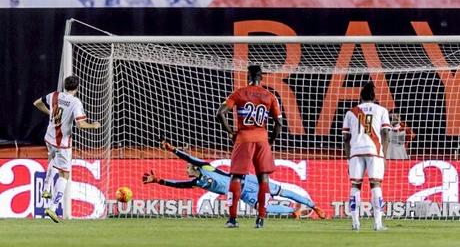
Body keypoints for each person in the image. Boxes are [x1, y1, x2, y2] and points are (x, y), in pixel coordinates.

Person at [142, 140, 326, 219]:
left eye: (189, 167)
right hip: (243, 193)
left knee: (281, 191)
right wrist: (158, 180)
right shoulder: (196, 182)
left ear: (194, 167)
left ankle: (313, 206)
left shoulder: (206, 166)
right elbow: (178, 185)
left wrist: (172, 149)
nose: (186, 168)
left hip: (248, 181)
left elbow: (188, 157)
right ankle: (291, 212)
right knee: (264, 208)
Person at [216, 65, 282, 228]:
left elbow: (220, 113)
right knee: (263, 178)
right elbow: (279, 124)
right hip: (262, 139)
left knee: (236, 177)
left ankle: (232, 219)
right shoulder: (270, 96)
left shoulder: (238, 93)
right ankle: (260, 219)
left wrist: (231, 132)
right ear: (261, 77)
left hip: (243, 138)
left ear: (248, 76)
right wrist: (270, 141)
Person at [33, 75, 100, 223]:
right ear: (77, 88)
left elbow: (37, 103)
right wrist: (94, 125)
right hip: (62, 143)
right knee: (64, 175)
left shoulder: (54, 95)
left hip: (49, 137)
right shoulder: (75, 102)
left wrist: (50, 113)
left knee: (52, 159)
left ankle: (46, 188)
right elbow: (81, 124)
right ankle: (53, 206)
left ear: (65, 85)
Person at [342, 82, 390, 231]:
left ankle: (355, 223)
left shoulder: (351, 112)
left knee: (355, 185)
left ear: (360, 97)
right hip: (374, 151)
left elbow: (345, 138)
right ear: (374, 97)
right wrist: (384, 155)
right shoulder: (381, 110)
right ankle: (378, 223)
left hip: (356, 151)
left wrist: (348, 157)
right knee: (375, 185)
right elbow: (386, 133)